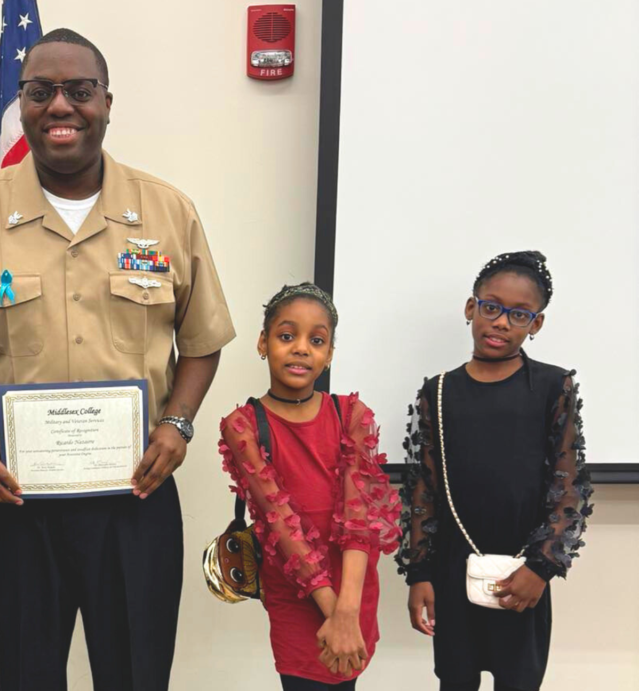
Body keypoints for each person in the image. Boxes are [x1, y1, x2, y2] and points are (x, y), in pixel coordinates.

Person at [0, 28, 234, 691]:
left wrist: (177, 425)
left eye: (79, 90)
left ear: (107, 102)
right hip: (19, 500)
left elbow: (202, 339)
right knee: (28, 674)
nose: (60, 106)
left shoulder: (167, 211)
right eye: (41, 91)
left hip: (136, 495)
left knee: (136, 672)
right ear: (22, 105)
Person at [396, 251, 593, 691]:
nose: (501, 322)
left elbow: (569, 488)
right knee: (455, 680)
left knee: (518, 681)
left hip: (524, 573)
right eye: (491, 307)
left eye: (519, 314)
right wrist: (420, 573)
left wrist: (540, 568)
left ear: (535, 324)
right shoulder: (439, 391)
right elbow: (425, 489)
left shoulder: (552, 386)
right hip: (452, 572)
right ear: (472, 308)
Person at [217, 283, 402, 690]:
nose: (301, 348)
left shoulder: (351, 414)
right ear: (263, 343)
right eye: (287, 336)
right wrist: (333, 612)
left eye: (316, 341)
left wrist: (347, 613)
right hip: (297, 595)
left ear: (329, 353)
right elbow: (280, 522)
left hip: (353, 588)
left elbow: (359, 519)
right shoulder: (243, 425)